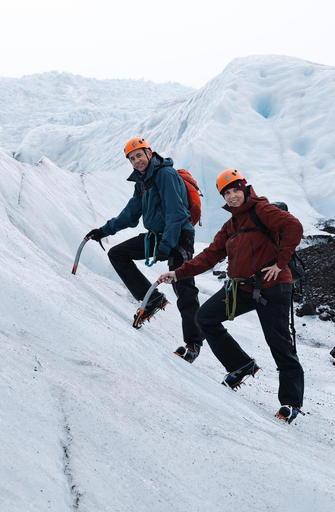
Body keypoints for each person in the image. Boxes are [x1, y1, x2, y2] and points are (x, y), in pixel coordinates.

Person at [157, 169, 305, 423]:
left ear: (245, 188)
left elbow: (294, 227)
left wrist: (281, 263)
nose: (233, 195)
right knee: (205, 317)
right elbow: (210, 256)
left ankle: (290, 403)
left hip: (273, 285)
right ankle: (240, 365)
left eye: (236, 189)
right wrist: (179, 273)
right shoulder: (231, 225)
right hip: (243, 288)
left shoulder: (262, 211)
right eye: (227, 193)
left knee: (279, 343)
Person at [85, 137, 203, 360]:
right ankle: (152, 300)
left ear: (149, 153)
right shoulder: (143, 182)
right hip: (160, 236)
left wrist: (167, 246)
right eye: (132, 158)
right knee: (117, 254)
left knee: (184, 287)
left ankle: (194, 344)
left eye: (139, 155)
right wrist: (103, 231)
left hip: (180, 235)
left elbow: (176, 213)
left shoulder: (165, 175)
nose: (136, 160)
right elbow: (130, 215)